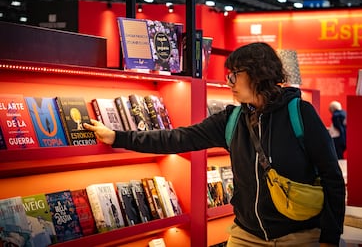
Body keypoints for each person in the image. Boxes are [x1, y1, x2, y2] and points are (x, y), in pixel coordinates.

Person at [83, 42, 346, 246]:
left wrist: (329, 238)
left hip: (299, 238)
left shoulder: (299, 114)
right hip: (246, 236)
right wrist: (118, 137)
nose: (228, 82)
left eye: (234, 75)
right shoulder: (232, 120)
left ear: (257, 74)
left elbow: (331, 177)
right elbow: (177, 138)